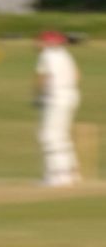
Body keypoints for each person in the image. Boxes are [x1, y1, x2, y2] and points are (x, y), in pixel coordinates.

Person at [33, 30, 81, 187]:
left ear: (48, 42)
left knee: (48, 136)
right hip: (71, 95)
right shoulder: (65, 54)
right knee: (62, 135)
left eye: (40, 40)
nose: (37, 43)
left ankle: (57, 176)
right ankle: (71, 172)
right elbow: (77, 75)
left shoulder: (46, 55)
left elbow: (44, 77)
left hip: (55, 97)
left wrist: (39, 96)